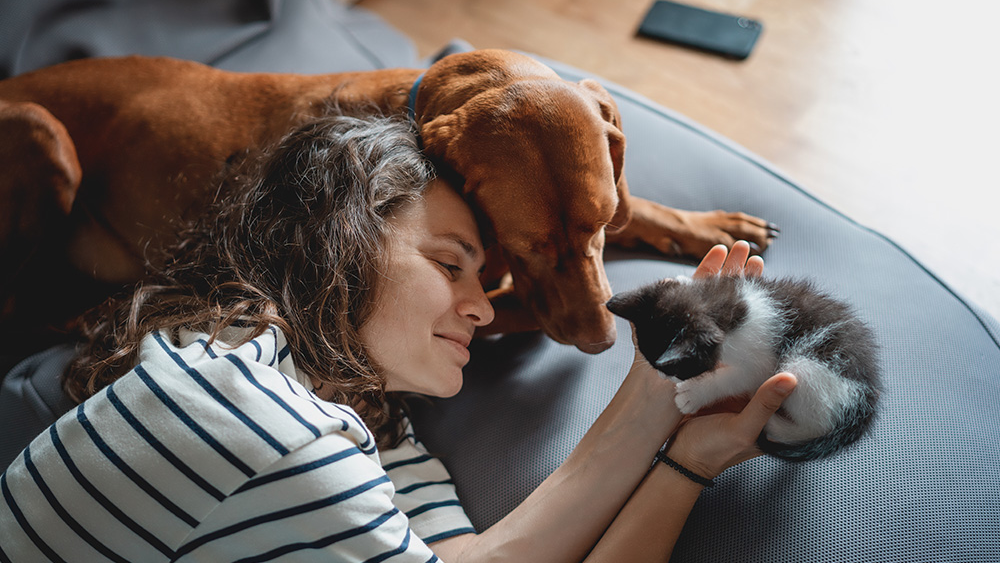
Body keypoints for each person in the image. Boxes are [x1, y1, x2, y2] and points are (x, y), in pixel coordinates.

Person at [0, 108, 795, 562]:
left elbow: (487, 558)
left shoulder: (376, 429)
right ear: (335, 240)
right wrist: (654, 415)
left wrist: (681, 445)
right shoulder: (242, 405)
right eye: (451, 265)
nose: (484, 310)